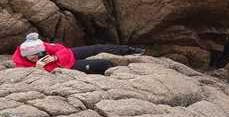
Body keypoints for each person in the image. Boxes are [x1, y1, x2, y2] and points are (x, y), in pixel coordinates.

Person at [11, 32, 142, 75]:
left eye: (39, 54)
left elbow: (60, 49)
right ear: (24, 56)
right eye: (32, 56)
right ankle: (123, 73)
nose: (36, 57)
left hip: (68, 55)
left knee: (98, 48)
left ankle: (129, 50)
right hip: (65, 67)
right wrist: (39, 69)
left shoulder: (42, 46)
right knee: (103, 63)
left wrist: (55, 57)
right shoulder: (21, 65)